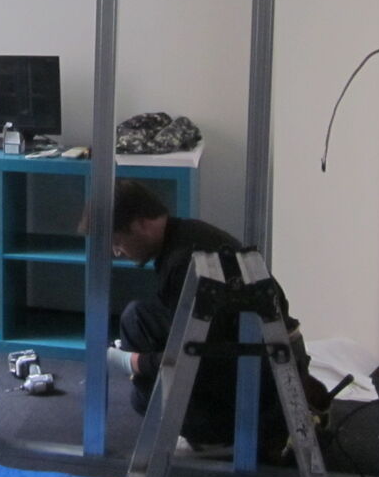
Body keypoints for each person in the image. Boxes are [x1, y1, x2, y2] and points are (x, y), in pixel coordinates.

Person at [103, 179, 316, 456]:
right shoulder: (188, 235)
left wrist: (133, 362)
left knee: (143, 396)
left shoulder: (184, 262)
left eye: (118, 242)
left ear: (141, 224)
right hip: (261, 359)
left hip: (259, 381)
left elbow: (201, 356)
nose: (117, 252)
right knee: (137, 318)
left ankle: (221, 437)